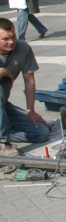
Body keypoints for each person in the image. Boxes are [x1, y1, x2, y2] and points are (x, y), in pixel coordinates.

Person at [0, 17, 51, 155]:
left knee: (41, 133)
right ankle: (3, 143)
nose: (11, 42)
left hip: (2, 107)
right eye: (6, 39)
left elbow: (29, 81)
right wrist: (3, 72)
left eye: (13, 37)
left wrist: (31, 111)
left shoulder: (23, 48)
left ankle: (3, 132)